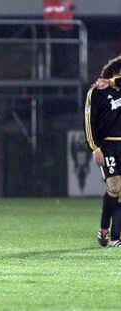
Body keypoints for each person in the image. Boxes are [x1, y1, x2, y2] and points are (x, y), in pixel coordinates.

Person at [85, 55, 121, 247]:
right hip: (108, 145)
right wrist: (95, 147)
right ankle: (104, 228)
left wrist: (112, 82)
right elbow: (89, 122)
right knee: (115, 188)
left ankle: (115, 237)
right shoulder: (96, 93)